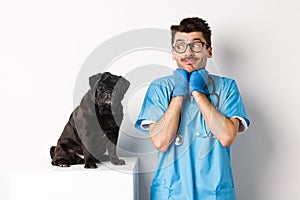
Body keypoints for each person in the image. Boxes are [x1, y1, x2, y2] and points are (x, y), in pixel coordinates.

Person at [135, 17, 250, 199]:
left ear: (209, 51)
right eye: (180, 46)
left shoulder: (227, 87)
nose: (188, 53)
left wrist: (198, 93)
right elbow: (161, 142)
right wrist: (179, 93)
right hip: (171, 193)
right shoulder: (159, 89)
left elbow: (227, 136)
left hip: (214, 193)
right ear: (173, 53)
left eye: (196, 46)